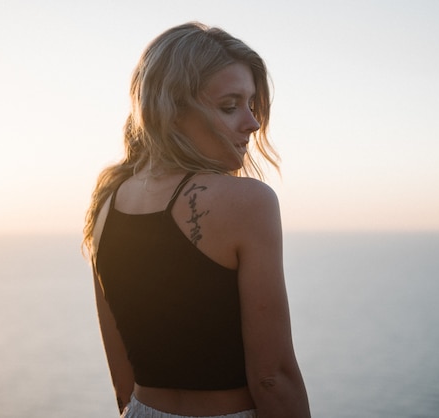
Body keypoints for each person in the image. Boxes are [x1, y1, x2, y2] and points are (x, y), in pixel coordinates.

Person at [82, 22, 311, 418]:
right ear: (170, 110)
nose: (253, 124)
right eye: (229, 106)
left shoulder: (107, 201)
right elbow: (272, 377)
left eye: (252, 105)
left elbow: (123, 381)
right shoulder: (248, 203)